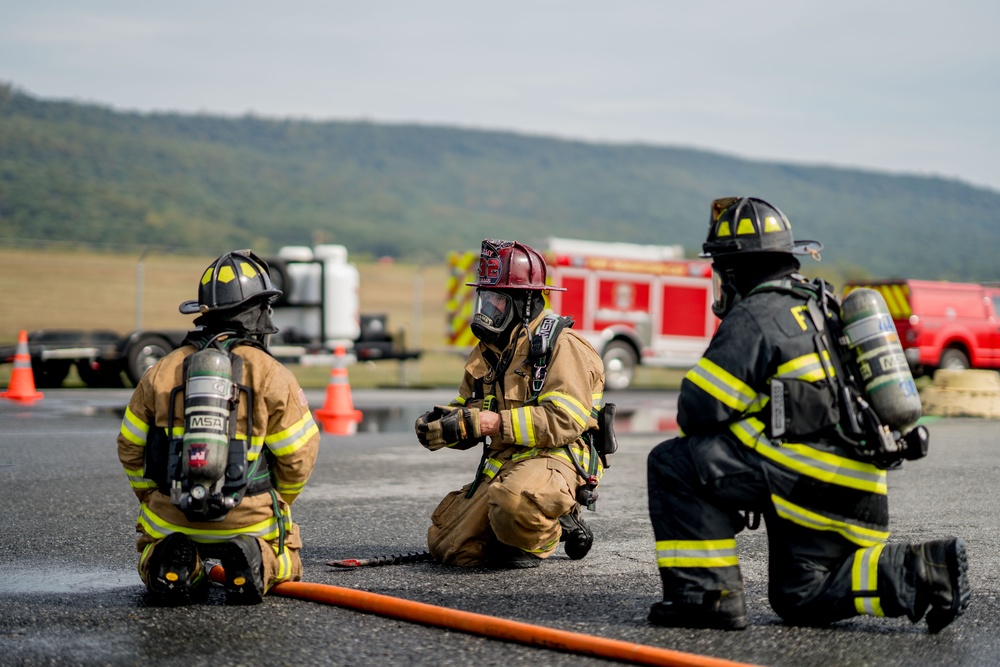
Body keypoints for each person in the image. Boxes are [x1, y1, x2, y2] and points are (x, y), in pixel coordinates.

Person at [646, 197, 971, 632]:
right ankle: (927, 570)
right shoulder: (824, 305)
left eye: (721, 269)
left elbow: (697, 409)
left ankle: (707, 598)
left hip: (805, 480)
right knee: (799, 596)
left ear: (736, 269)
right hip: (858, 491)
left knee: (673, 462)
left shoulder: (757, 314)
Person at [117, 249, 320, 605]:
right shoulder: (273, 374)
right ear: (259, 311)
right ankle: (252, 559)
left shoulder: (160, 370)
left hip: (171, 516)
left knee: (153, 552)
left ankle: (175, 565)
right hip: (248, 517)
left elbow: (129, 445)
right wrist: (277, 500)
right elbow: (298, 456)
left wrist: (151, 495)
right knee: (287, 560)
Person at [416, 239, 606, 568]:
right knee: (449, 547)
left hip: (558, 457)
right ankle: (512, 529)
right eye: (484, 298)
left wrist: (490, 424)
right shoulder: (490, 350)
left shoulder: (562, 346)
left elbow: (563, 421)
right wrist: (444, 424)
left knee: (514, 503)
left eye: (497, 301)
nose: (487, 309)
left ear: (526, 302)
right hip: (507, 462)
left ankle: (549, 528)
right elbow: (468, 406)